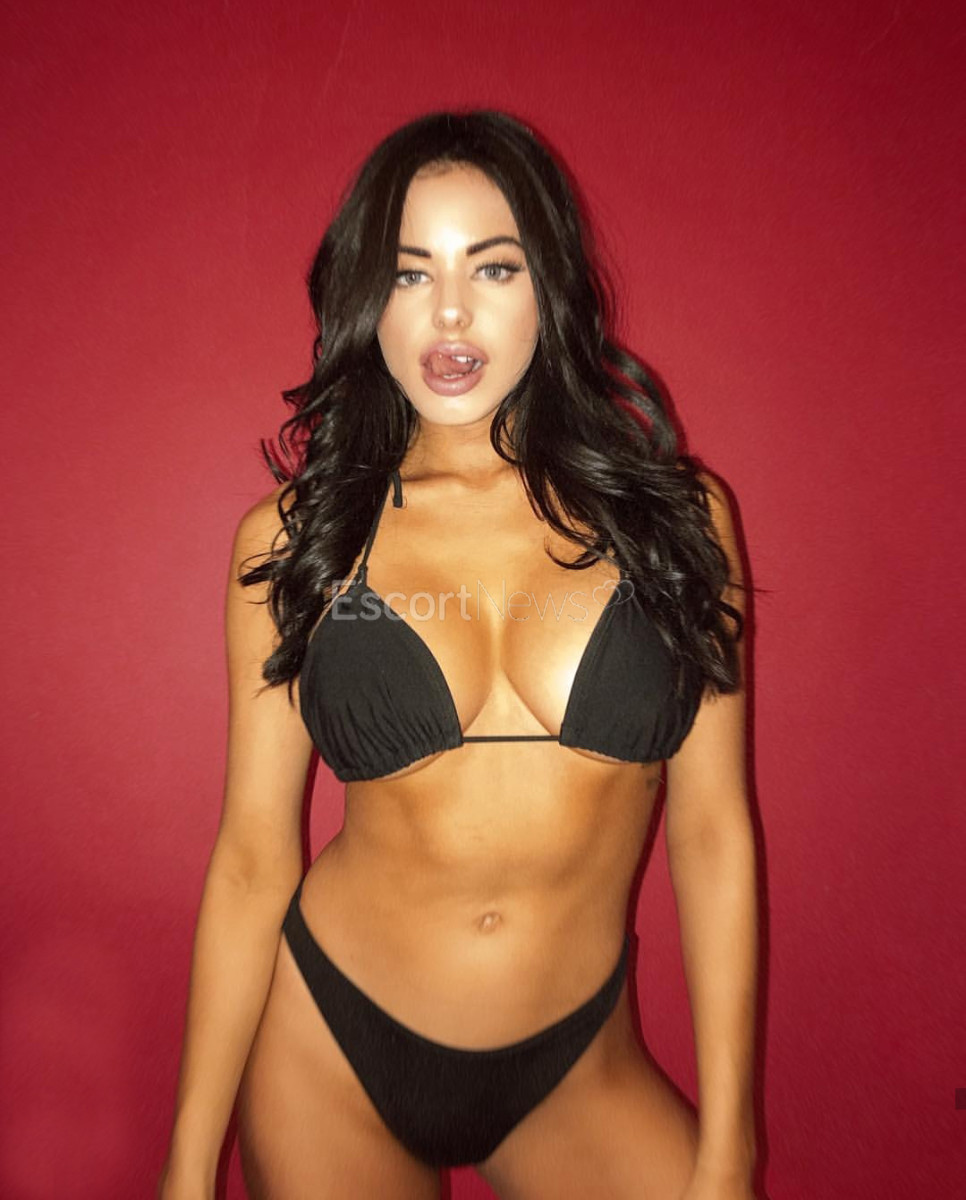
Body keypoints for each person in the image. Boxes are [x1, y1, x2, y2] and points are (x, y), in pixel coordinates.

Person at [159, 109, 758, 1200]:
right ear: (367, 300)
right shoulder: (297, 538)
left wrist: (731, 1147)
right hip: (332, 1046)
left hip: (577, 1062)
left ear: (550, 286)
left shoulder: (678, 520)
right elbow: (252, 854)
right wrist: (188, 1168)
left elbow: (713, 832)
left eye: (492, 266)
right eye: (408, 273)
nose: (448, 310)